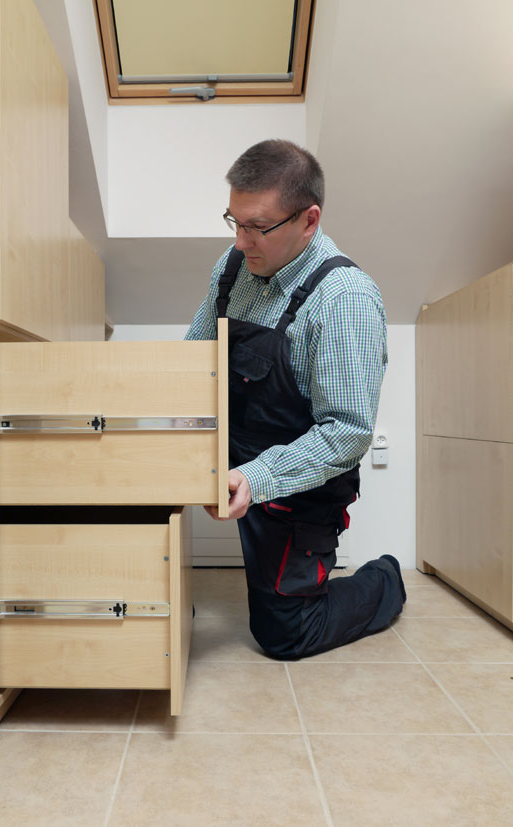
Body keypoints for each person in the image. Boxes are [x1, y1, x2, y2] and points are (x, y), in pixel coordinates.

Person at [186, 139, 406, 660]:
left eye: (258, 227)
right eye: (234, 222)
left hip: (296, 485)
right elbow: (195, 355)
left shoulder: (344, 299)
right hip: (237, 455)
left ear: (309, 220)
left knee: (285, 634)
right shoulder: (235, 265)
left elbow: (346, 432)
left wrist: (255, 479)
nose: (241, 241)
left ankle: (386, 579)